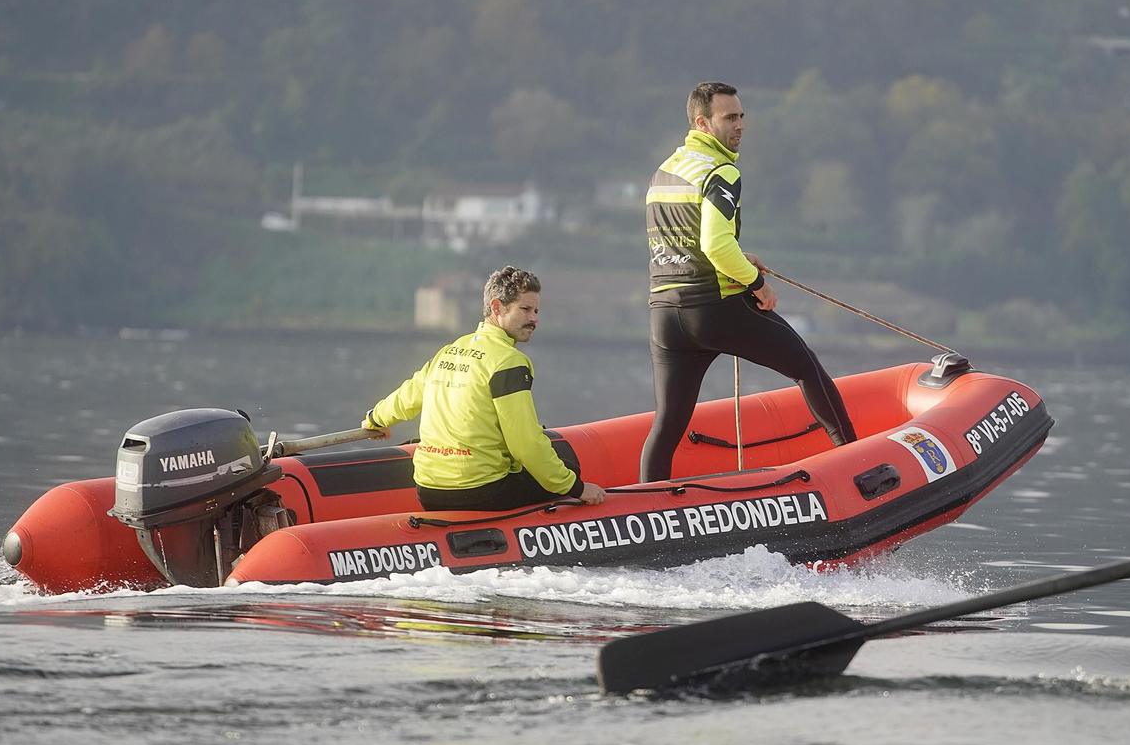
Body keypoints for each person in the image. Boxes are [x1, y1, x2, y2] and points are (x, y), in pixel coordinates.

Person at [639, 80, 857, 482]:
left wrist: (738, 257)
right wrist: (758, 283)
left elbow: (683, 244)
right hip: (714, 309)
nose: (740, 126)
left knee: (668, 423)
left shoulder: (663, 173)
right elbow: (715, 246)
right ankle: (860, 468)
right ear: (702, 123)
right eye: (730, 118)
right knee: (807, 369)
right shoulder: (720, 171)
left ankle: (645, 511)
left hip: (665, 315)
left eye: (741, 117)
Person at [363, 266, 606, 511]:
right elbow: (526, 445)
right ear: (497, 307)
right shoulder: (508, 361)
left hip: (428, 490)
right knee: (568, 470)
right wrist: (578, 489)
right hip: (480, 491)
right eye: (525, 309)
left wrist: (375, 419)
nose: (534, 319)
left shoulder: (451, 350)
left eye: (536, 311)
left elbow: (408, 396)